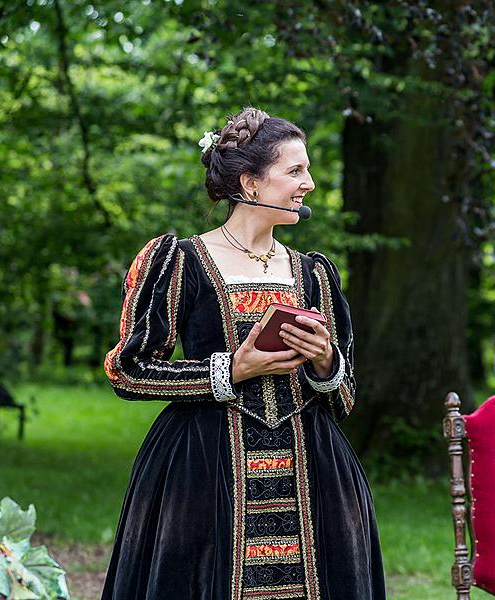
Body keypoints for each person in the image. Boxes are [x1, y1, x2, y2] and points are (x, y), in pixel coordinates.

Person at [102, 107, 385, 600]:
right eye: (295, 171)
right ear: (250, 182)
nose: (309, 184)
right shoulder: (179, 261)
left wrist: (324, 361)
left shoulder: (314, 273)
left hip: (313, 469)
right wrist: (231, 369)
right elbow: (128, 371)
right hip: (203, 472)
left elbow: (344, 398)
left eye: (308, 170)